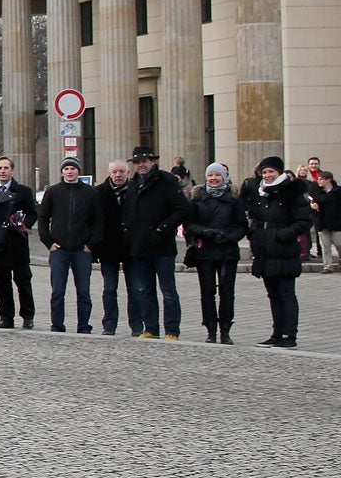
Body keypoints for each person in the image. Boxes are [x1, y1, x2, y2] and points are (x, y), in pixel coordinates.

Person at [244, 156, 313, 348]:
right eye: (265, 172)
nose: (267, 176)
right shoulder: (260, 194)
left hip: (284, 250)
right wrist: (255, 234)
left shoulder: (292, 193)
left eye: (271, 172)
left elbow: (303, 222)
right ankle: (276, 333)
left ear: (279, 173)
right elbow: (255, 218)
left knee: (286, 293)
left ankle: (289, 335)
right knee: (273, 294)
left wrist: (282, 234)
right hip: (265, 251)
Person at [123, 147, 186, 339]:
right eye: (137, 162)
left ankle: (172, 330)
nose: (141, 165)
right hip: (140, 246)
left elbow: (183, 209)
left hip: (162, 245)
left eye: (145, 160)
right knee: (145, 290)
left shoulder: (167, 182)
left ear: (153, 161)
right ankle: (151, 328)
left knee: (168, 290)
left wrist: (164, 228)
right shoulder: (133, 184)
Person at [38, 157, 101, 335]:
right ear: (62, 172)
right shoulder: (53, 192)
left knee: (84, 292)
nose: (70, 172)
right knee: (58, 291)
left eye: (73, 168)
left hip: (82, 250)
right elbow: (42, 218)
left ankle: (84, 326)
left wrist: (91, 244)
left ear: (78, 171)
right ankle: (57, 325)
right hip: (59, 249)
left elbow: (98, 220)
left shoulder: (90, 192)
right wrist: (48, 242)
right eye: (66, 169)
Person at [184, 163, 245, 344]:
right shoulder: (197, 199)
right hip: (205, 251)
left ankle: (225, 330)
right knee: (207, 292)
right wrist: (203, 232)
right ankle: (210, 329)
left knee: (227, 292)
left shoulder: (233, 199)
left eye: (217, 175)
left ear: (224, 177)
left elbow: (242, 225)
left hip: (227, 250)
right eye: (210, 175)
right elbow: (189, 224)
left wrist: (228, 237)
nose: (214, 179)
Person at [0, 157, 39, 329]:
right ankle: (6, 317)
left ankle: (28, 315)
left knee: (23, 282)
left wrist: (23, 225)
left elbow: (32, 213)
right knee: (1, 284)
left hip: (17, 243)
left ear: (12, 170)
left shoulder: (23, 191)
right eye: (0, 168)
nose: (3, 171)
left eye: (6, 168)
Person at [92, 159, 132, 335]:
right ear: (109, 173)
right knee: (109, 289)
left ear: (128, 173)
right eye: (115, 172)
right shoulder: (99, 192)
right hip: (108, 248)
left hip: (132, 248)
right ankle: (109, 324)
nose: (118, 175)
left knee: (135, 289)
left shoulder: (135, 190)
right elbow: (93, 220)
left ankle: (137, 325)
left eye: (122, 171)